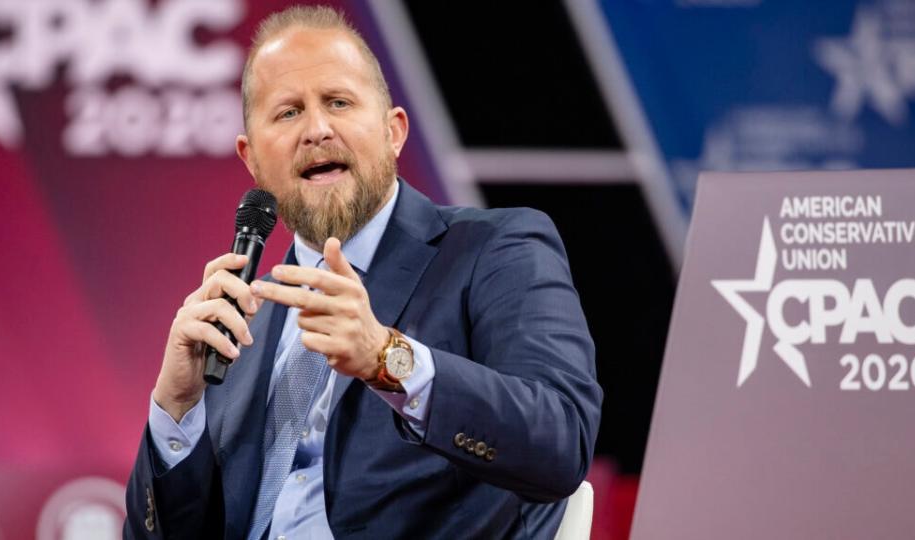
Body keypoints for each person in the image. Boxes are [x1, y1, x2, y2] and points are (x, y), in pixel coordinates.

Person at [124, 5, 602, 539]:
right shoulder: (238, 328)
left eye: (338, 102)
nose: (316, 129)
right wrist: (177, 409)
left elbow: (561, 444)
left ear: (393, 131)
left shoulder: (493, 250)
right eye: (287, 113)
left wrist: (386, 358)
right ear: (251, 159)